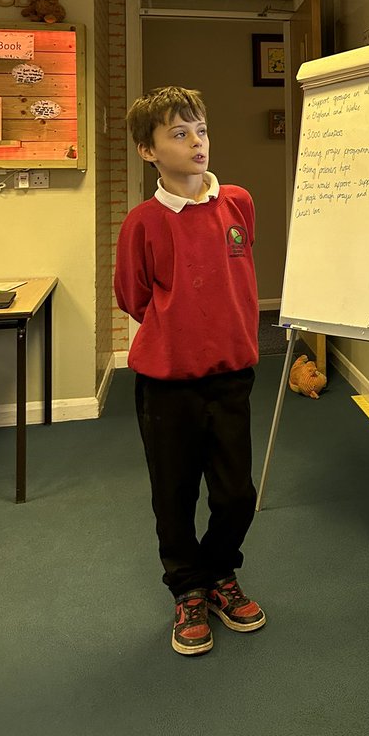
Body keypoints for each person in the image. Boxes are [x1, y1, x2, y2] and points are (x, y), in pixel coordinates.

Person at [114, 85, 266, 656]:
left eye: (200, 130)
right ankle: (188, 589)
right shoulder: (142, 223)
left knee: (236, 494)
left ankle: (220, 572)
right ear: (148, 150)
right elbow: (133, 297)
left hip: (231, 379)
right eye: (179, 134)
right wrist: (178, 329)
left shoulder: (238, 203)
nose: (196, 142)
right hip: (167, 386)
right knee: (173, 494)